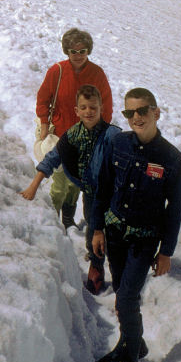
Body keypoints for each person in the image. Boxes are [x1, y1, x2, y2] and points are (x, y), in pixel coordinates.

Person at [92, 87, 181, 362]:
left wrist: (166, 252)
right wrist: (97, 229)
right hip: (116, 234)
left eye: (142, 111)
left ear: (156, 113)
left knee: (128, 298)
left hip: (144, 242)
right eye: (129, 113)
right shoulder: (118, 143)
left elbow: (174, 210)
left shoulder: (172, 159)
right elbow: (102, 187)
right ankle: (132, 343)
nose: (136, 118)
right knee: (121, 290)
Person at [22, 84, 120, 293]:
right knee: (94, 229)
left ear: (101, 108)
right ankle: (96, 266)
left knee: (116, 234)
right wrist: (34, 185)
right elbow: (53, 158)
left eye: (93, 107)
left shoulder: (113, 135)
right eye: (83, 107)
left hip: (115, 195)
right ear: (76, 111)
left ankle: (122, 276)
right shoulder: (73, 135)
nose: (88, 112)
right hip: (92, 195)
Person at [35, 28, 112, 228]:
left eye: (82, 51)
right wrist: (44, 125)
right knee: (59, 182)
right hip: (61, 136)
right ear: (66, 51)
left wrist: (99, 134)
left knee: (76, 183)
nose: (78, 56)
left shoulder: (97, 74)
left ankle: (68, 218)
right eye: (73, 51)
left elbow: (107, 106)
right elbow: (43, 99)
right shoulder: (57, 71)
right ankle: (54, 215)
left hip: (86, 137)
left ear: (89, 51)